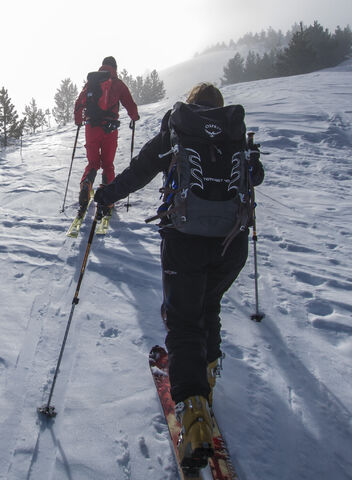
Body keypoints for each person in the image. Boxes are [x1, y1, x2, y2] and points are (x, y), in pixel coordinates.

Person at [93, 82, 264, 471]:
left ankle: (194, 418)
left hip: (185, 239)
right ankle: (206, 378)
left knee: (183, 321)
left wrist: (107, 195)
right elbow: (255, 176)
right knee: (208, 306)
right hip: (231, 245)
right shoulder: (236, 134)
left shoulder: (177, 129)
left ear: (190, 104)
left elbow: (139, 171)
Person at [73, 56, 139, 216]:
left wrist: (78, 121)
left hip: (91, 127)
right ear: (115, 67)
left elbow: (79, 103)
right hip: (110, 128)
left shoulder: (92, 82)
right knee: (108, 164)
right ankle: (108, 198)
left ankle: (86, 186)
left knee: (93, 162)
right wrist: (134, 117)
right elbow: (129, 103)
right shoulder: (117, 83)